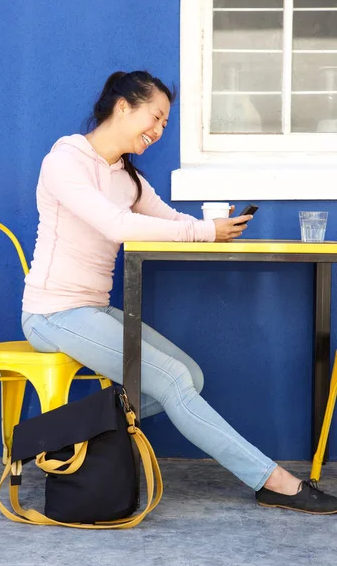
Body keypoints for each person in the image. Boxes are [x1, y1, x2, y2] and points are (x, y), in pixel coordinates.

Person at [22, 70, 337, 514]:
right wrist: (203, 231)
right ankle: (273, 480)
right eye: (155, 117)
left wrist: (213, 228)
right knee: (171, 380)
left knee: (191, 375)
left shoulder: (125, 176)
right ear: (122, 106)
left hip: (92, 308)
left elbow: (168, 222)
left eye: (165, 125)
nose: (157, 131)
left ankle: (62, 436)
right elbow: (117, 225)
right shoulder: (65, 161)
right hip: (53, 313)